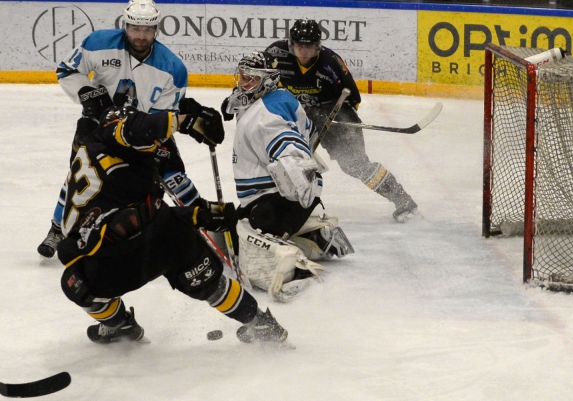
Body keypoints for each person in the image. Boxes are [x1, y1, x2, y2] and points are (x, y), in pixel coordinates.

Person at [57, 103, 289, 345]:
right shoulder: (111, 133)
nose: (156, 145)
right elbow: (137, 128)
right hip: (154, 241)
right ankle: (259, 322)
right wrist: (187, 121)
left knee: (77, 283)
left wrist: (199, 215)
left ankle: (118, 323)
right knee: (212, 285)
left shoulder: (103, 163)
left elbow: (138, 214)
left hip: (111, 260)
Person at [38, 0, 202, 259]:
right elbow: (67, 70)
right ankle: (57, 228)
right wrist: (89, 94)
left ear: (156, 29)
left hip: (141, 131)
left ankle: (203, 225)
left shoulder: (173, 69)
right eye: (135, 28)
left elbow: (164, 116)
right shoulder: (98, 43)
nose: (141, 36)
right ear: (125, 24)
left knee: (172, 175)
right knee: (80, 176)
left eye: (147, 30)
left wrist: (151, 137)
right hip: (97, 126)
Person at [222, 51, 353, 302]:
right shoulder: (279, 97)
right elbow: (306, 132)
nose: (244, 83)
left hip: (279, 200)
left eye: (252, 79)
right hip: (285, 199)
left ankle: (295, 269)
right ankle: (313, 232)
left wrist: (297, 172)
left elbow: (285, 141)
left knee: (240, 236)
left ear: (268, 81)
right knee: (228, 225)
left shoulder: (266, 116)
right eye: (242, 77)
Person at [257, 19, 418, 222]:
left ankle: (403, 201)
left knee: (355, 164)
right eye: (299, 45)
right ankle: (285, 209)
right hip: (296, 116)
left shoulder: (330, 62)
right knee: (282, 160)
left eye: (308, 46)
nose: (303, 51)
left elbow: (352, 98)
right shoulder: (276, 54)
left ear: (317, 46)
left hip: (331, 115)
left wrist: (331, 114)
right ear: (291, 44)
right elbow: (257, 81)